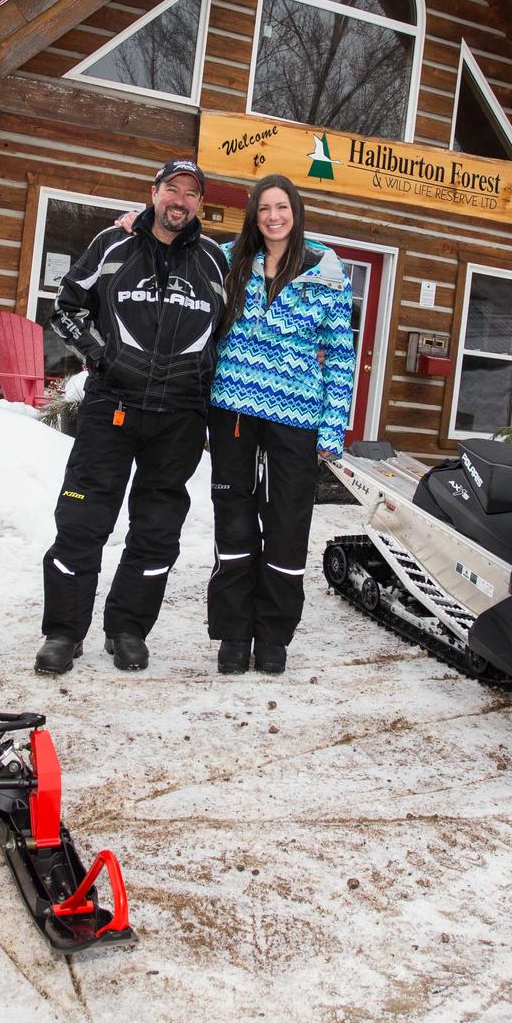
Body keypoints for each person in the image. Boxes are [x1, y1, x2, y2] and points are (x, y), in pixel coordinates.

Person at [34, 159, 229, 675]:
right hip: (111, 408)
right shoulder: (111, 244)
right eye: (172, 189)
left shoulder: (215, 262)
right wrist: (103, 357)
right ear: (154, 193)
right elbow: (67, 307)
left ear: (200, 204)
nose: (180, 201)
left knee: (158, 531)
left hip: (181, 417)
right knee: (81, 520)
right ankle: (63, 632)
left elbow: (233, 333)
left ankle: (127, 629)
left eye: (191, 193)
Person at [203, 176, 354, 674]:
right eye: (264, 207)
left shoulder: (325, 271)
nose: (273, 216)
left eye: (281, 206)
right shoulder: (229, 260)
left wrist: (332, 427)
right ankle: (232, 633)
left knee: (288, 524)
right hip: (234, 412)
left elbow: (340, 356)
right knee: (235, 518)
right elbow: (179, 255)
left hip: (297, 418)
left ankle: (273, 635)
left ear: (296, 211)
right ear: (254, 214)